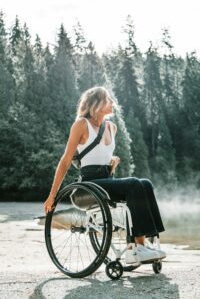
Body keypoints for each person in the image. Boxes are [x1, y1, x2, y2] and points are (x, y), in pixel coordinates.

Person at [44, 86, 166, 264]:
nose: (113, 103)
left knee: (145, 183)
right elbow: (65, 161)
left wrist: (112, 160)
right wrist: (52, 195)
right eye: (109, 99)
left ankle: (147, 242)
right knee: (133, 183)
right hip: (88, 185)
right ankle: (138, 247)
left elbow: (102, 154)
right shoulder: (81, 125)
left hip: (106, 179)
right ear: (97, 103)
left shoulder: (112, 127)